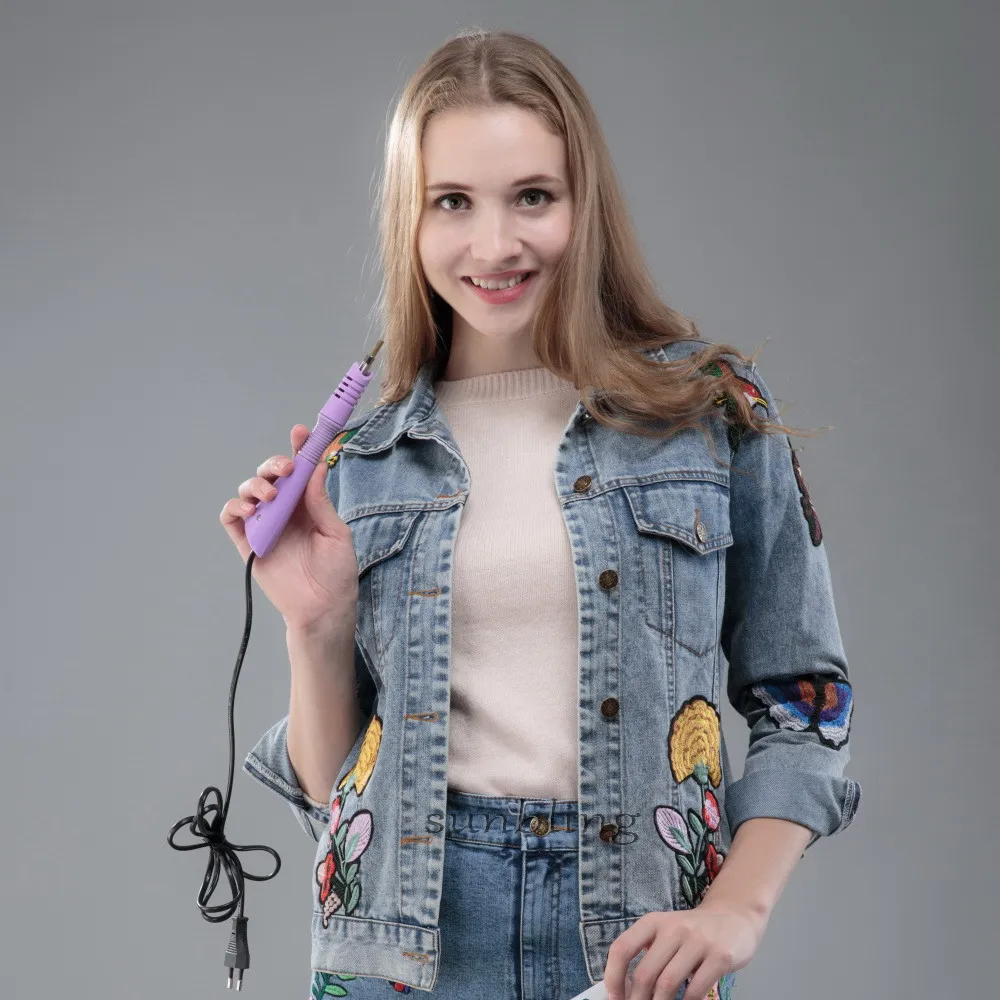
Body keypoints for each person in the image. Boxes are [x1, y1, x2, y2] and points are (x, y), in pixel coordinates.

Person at [221, 27, 860, 1000]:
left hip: (636, 936)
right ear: (410, 218)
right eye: (452, 202)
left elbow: (806, 702)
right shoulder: (363, 459)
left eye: (531, 196)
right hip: (404, 946)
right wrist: (314, 625)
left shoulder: (707, 413)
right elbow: (332, 795)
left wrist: (736, 907)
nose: (495, 245)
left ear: (583, 204)